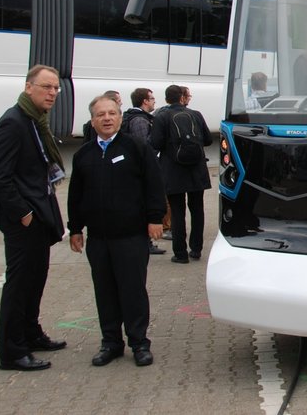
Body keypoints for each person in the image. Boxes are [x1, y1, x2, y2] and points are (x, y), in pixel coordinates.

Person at [68, 95, 165, 367]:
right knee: (105, 291)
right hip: (99, 240)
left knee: (132, 291)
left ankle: (139, 343)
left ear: (120, 118)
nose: (107, 118)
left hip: (131, 237)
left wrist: (155, 218)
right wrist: (75, 228)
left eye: (112, 113)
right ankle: (110, 342)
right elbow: (75, 195)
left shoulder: (136, 148)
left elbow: (154, 184)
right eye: (101, 114)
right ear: (93, 120)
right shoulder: (83, 155)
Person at [0, 65, 67, 371]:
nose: (53, 93)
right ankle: (12, 351)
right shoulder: (13, 122)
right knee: (19, 284)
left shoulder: (35, 120)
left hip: (39, 213)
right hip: (22, 219)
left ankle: (31, 333)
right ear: (28, 87)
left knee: (36, 278)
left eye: (56, 88)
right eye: (46, 87)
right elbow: (0, 177)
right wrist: (25, 214)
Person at [150, 84, 212, 263]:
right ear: (182, 98)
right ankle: (197, 249)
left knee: (177, 212)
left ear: (167, 98)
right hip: (197, 169)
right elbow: (207, 140)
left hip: (173, 170)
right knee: (197, 209)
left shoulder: (162, 117)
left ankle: (180, 253)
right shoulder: (196, 115)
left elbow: (155, 143)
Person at [121, 88, 166, 255]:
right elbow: (144, 146)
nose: (154, 101)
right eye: (152, 98)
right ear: (145, 101)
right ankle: (145, 242)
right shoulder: (140, 120)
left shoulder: (139, 118)